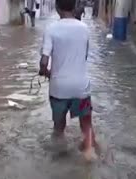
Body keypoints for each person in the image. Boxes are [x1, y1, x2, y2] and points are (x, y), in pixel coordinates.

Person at [39, 0, 98, 160]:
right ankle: (89, 156)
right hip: (81, 87)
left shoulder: (51, 29)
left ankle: (59, 158)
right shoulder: (85, 29)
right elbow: (84, 56)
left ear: (57, 8)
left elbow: (44, 62)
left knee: (59, 128)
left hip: (59, 88)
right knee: (86, 126)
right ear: (75, 7)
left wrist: (46, 72)